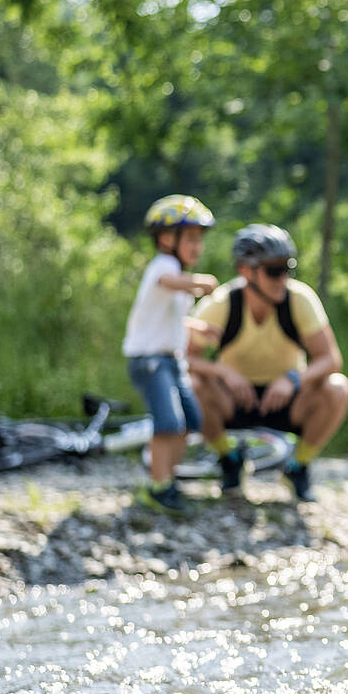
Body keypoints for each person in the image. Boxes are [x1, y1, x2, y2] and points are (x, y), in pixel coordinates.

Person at [188, 224, 348, 502]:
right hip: (234, 399)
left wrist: (293, 380)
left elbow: (330, 359)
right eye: (273, 270)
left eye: (287, 268)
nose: (282, 278)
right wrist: (223, 372)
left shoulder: (300, 299)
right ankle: (229, 460)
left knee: (338, 388)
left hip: (287, 399)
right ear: (245, 271)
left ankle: (297, 467)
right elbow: (186, 358)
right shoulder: (220, 304)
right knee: (194, 384)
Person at [123, 194, 221, 516]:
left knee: (190, 420)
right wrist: (199, 282)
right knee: (168, 422)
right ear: (167, 238)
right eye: (191, 238)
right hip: (150, 360)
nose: (198, 246)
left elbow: (172, 317)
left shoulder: (177, 277)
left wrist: (199, 329)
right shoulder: (164, 266)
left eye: (199, 240)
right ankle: (158, 486)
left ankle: (167, 478)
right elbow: (169, 282)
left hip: (170, 360)